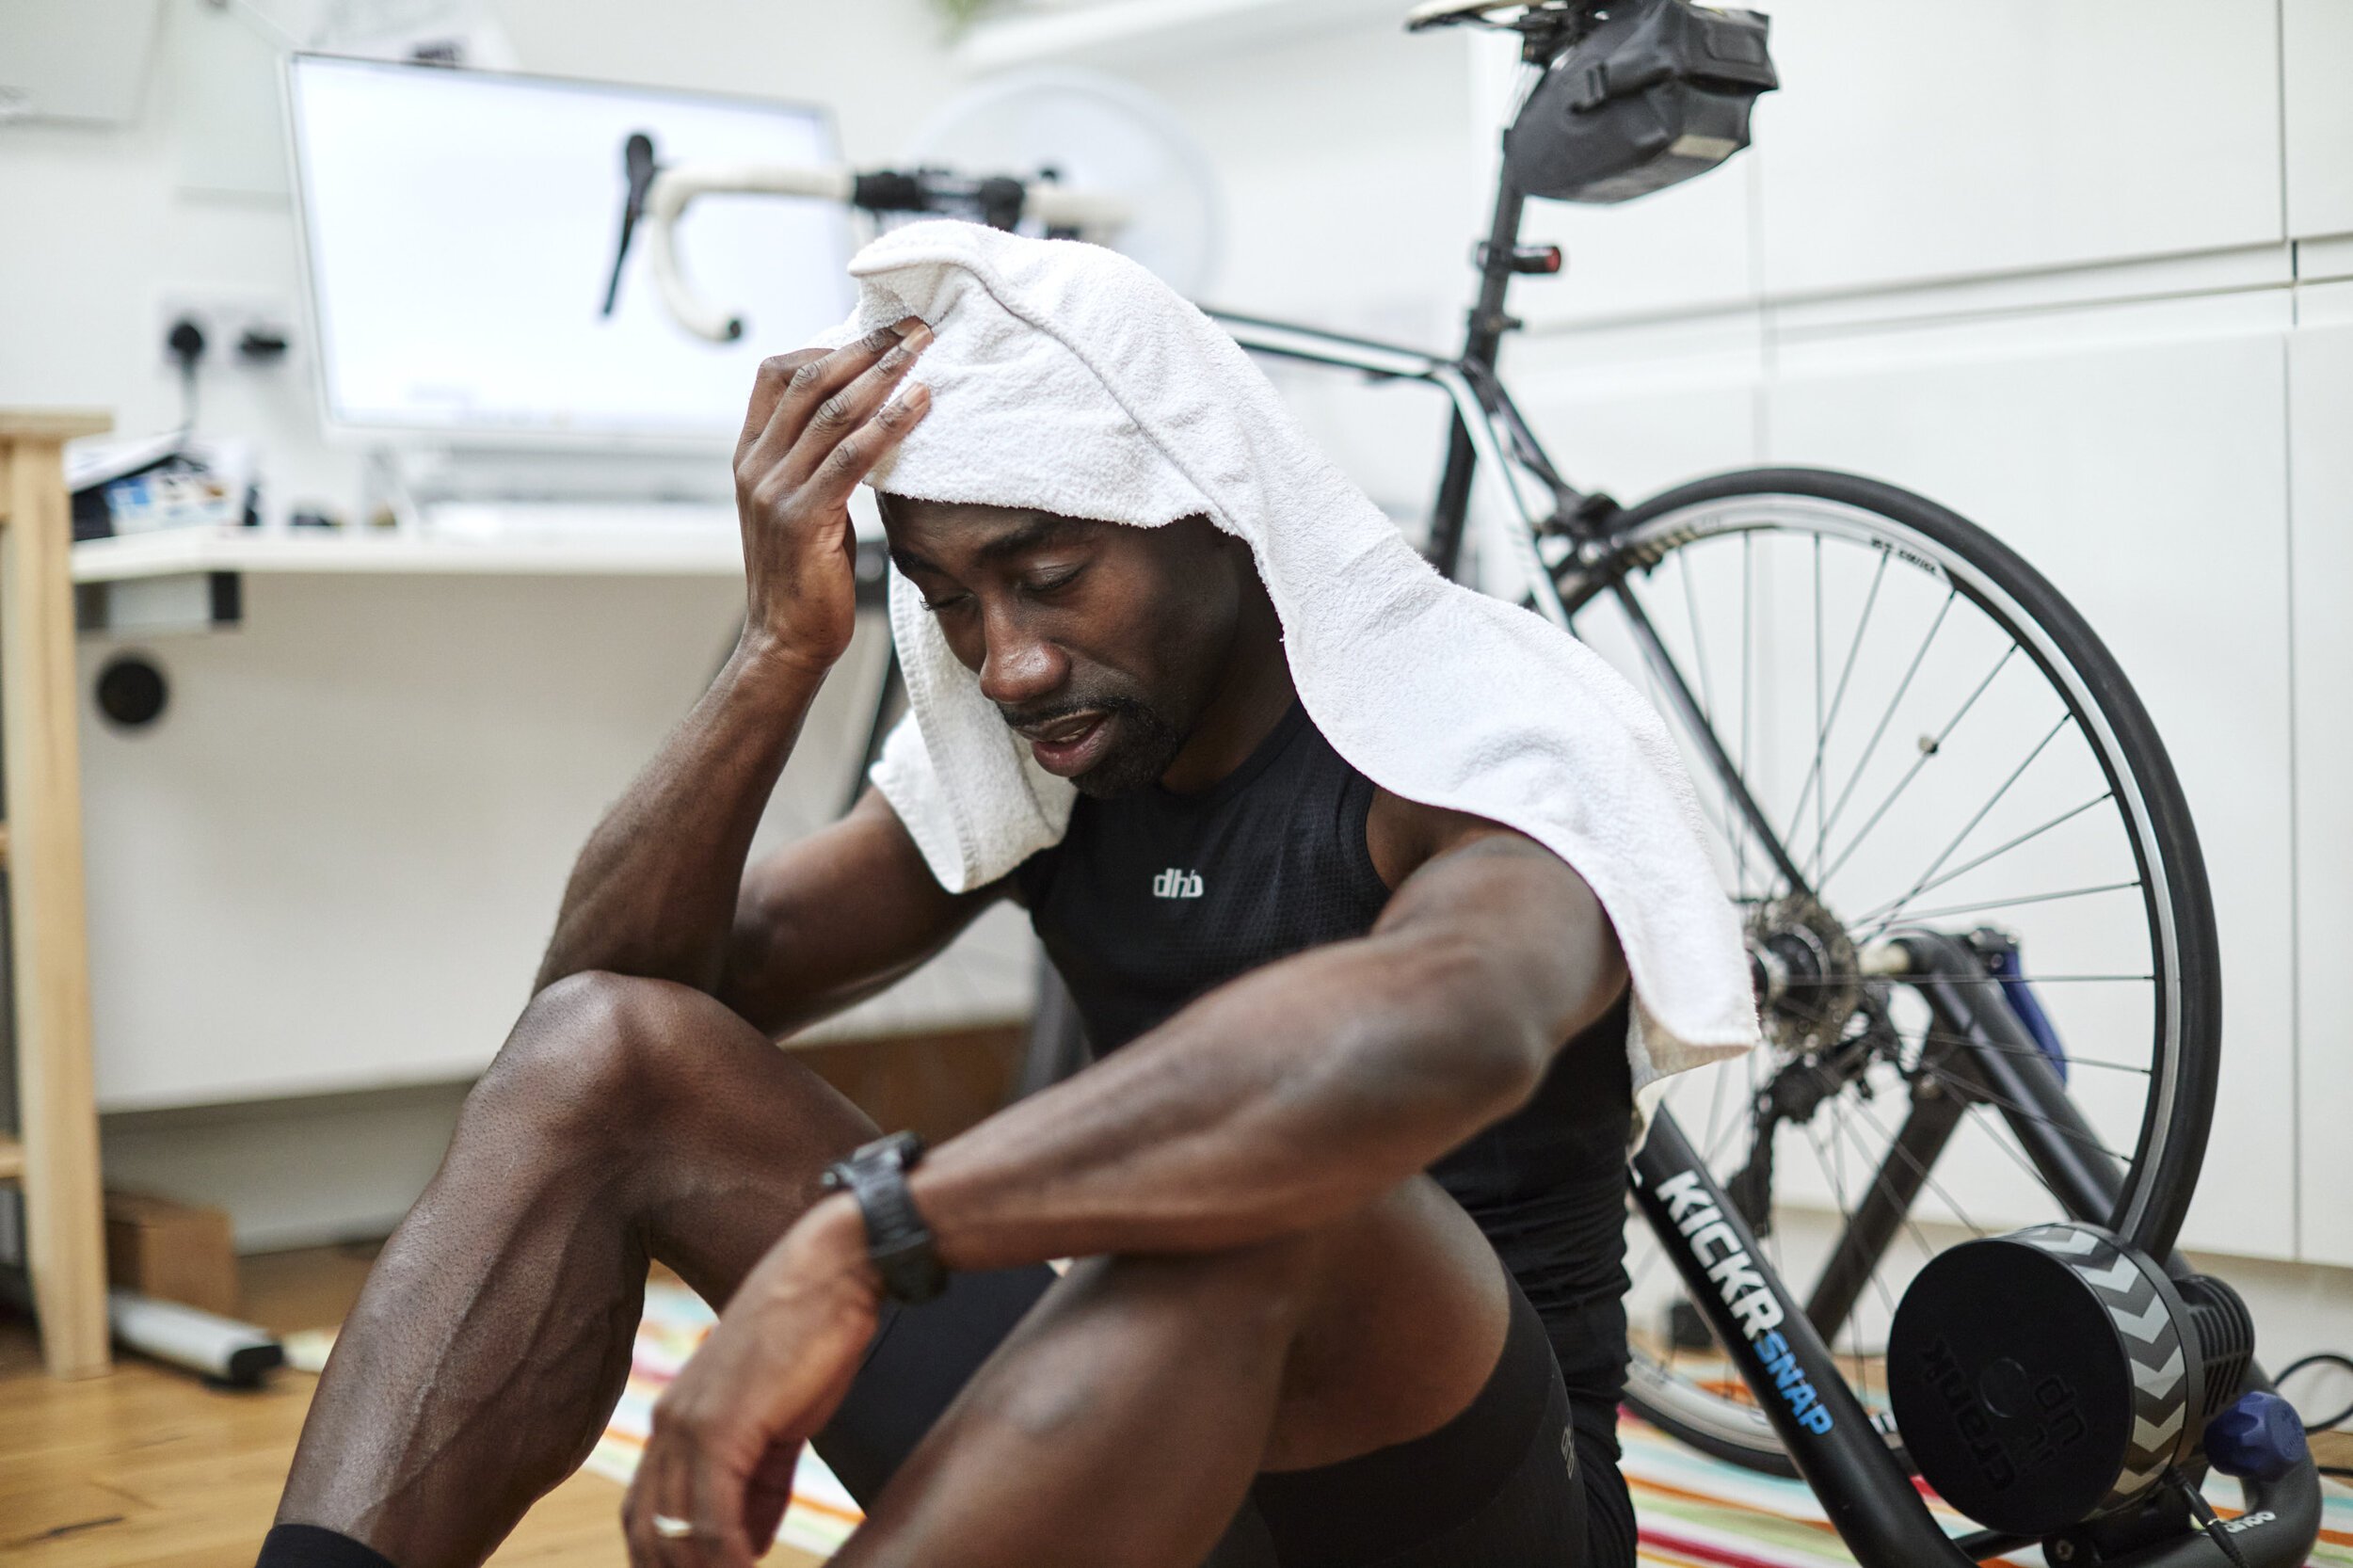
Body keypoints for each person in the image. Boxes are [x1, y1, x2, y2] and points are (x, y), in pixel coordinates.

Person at [258, 226, 1753, 1568]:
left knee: (1284, 1188)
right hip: (1144, 1462)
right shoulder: (1052, 747)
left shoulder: (1467, 736)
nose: (1009, 660)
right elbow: (625, 997)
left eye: (1047, 573)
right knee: (604, 1050)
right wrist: (785, 645)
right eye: (950, 599)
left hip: (1454, 1513)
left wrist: (878, 1230)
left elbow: (1435, 1036)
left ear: (1210, 500)